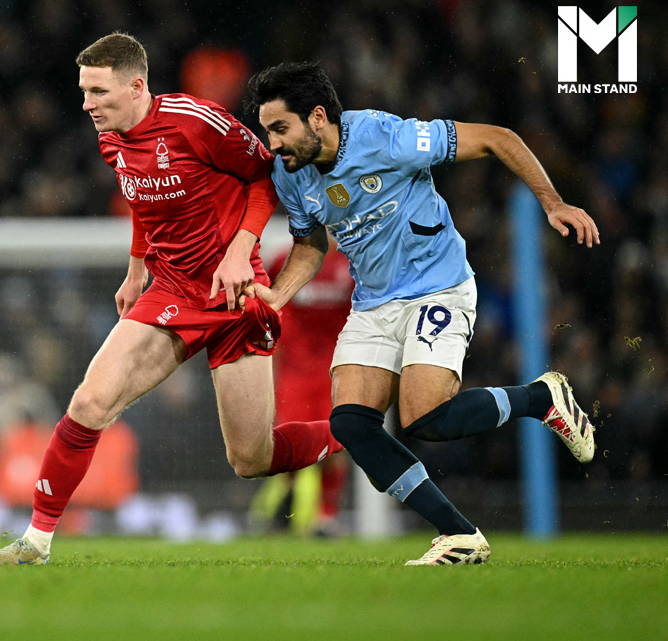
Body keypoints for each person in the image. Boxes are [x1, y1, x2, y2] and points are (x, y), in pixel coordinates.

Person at [0, 33, 343, 566]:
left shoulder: (196, 121)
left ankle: (352, 434)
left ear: (136, 86)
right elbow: (144, 206)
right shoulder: (111, 140)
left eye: (98, 92)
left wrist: (240, 252)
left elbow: (264, 177)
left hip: (235, 294)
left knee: (251, 458)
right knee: (89, 403)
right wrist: (135, 271)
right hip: (172, 290)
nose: (87, 104)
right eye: (84, 92)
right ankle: (35, 541)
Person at [245, 62, 599, 565]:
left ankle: (540, 398)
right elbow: (309, 245)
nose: (273, 144)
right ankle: (459, 534)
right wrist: (277, 295)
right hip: (373, 302)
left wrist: (553, 203)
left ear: (318, 117)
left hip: (438, 287)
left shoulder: (385, 137)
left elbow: (496, 138)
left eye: (280, 128)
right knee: (352, 425)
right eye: (267, 131)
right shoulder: (290, 174)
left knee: (427, 418)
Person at [249, 238, 353, 536]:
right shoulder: (283, 259)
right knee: (289, 445)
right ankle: (284, 511)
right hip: (293, 371)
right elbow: (266, 310)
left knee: (336, 445)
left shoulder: (351, 265)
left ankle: (326, 517)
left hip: (335, 369)